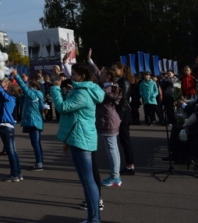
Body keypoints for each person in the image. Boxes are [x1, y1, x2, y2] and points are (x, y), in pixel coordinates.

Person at [51, 63, 105, 223]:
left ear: (82, 76)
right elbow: (72, 117)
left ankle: (94, 219)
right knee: (86, 181)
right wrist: (67, 140)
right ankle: (91, 218)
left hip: (82, 139)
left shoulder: (83, 93)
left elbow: (62, 107)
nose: (71, 76)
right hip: (77, 137)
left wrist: (55, 89)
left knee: (88, 181)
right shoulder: (81, 90)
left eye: (74, 74)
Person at [11, 70, 45, 171]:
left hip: (33, 121)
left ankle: (39, 163)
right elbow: (21, 102)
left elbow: (24, 88)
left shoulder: (33, 95)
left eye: (29, 85)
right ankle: (40, 162)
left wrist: (17, 76)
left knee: (35, 143)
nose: (27, 86)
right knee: (37, 143)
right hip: (35, 121)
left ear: (33, 87)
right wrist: (21, 95)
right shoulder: (31, 96)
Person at [0, 76, 22, 181]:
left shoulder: (8, 98)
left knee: (10, 151)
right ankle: (18, 173)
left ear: (12, 92)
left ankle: (14, 174)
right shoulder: (11, 99)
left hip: (5, 126)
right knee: (14, 151)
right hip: (9, 127)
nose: (7, 89)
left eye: (9, 89)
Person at [95, 68, 122, 187]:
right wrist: (90, 61)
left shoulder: (107, 90)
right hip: (111, 119)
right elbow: (96, 74)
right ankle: (116, 176)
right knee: (114, 149)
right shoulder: (109, 86)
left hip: (108, 121)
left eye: (103, 73)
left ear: (108, 77)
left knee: (112, 150)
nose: (100, 74)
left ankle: (114, 177)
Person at [111, 63, 135, 175]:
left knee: (125, 140)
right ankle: (129, 164)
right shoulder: (120, 81)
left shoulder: (124, 82)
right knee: (123, 140)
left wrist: (119, 118)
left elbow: (124, 102)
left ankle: (130, 166)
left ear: (121, 70)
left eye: (115, 69)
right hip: (122, 114)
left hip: (123, 115)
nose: (113, 71)